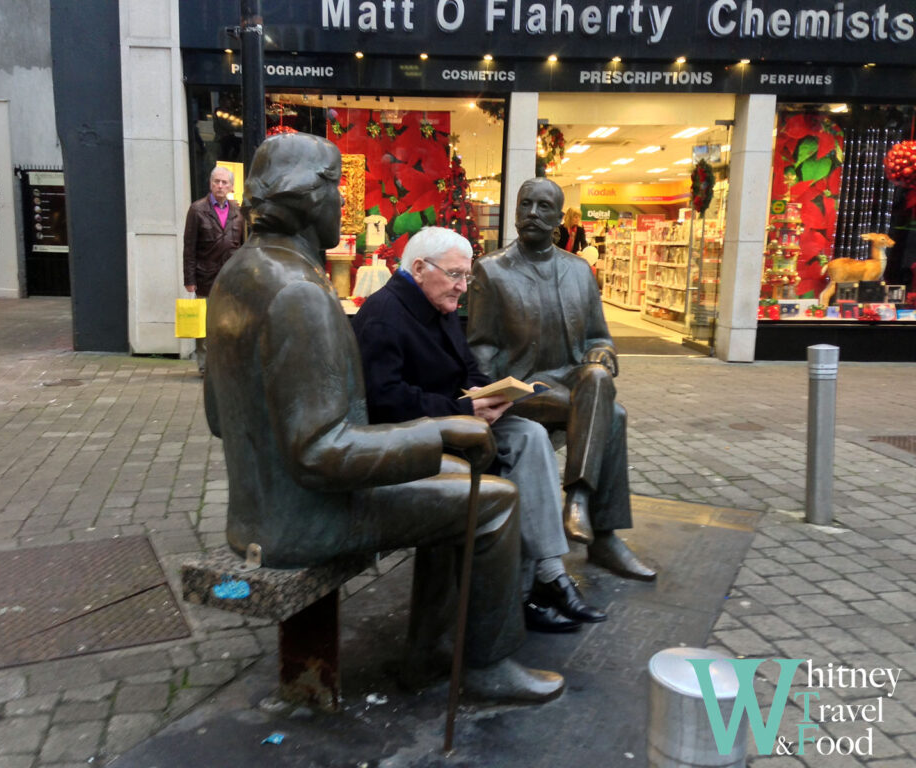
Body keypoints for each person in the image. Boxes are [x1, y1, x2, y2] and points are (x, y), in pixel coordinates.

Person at [204, 133, 563, 703]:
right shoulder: (299, 291)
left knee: (454, 484)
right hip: (308, 518)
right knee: (492, 501)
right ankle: (486, 662)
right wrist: (442, 430)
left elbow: (218, 418)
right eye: (335, 190)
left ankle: (430, 649)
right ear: (309, 198)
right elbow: (320, 453)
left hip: (257, 509)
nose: (341, 203)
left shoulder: (236, 275)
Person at [353, 227, 606, 634]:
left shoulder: (437, 304)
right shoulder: (384, 316)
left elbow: (465, 367)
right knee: (517, 462)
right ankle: (525, 592)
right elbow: (384, 401)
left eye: (466, 276)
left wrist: (483, 391)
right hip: (415, 439)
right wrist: (462, 407)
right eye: (456, 275)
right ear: (419, 268)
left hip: (458, 423)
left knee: (530, 435)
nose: (463, 287)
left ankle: (549, 571)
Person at [468, 177, 657, 581]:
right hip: (521, 387)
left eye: (543, 207)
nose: (532, 214)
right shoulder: (492, 270)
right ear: (516, 211)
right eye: (525, 205)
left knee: (597, 379)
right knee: (614, 416)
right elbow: (481, 345)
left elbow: (599, 336)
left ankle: (578, 501)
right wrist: (483, 395)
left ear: (559, 218)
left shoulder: (579, 271)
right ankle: (600, 533)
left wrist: (601, 354)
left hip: (570, 378)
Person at [182, 165, 244, 373]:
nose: (220, 185)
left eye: (224, 182)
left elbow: (242, 246)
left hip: (230, 279)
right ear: (210, 184)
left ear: (231, 186)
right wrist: (189, 279)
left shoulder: (238, 211)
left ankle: (225, 365)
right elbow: (189, 247)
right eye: (216, 181)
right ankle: (205, 367)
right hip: (205, 278)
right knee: (205, 325)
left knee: (229, 324)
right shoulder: (197, 210)